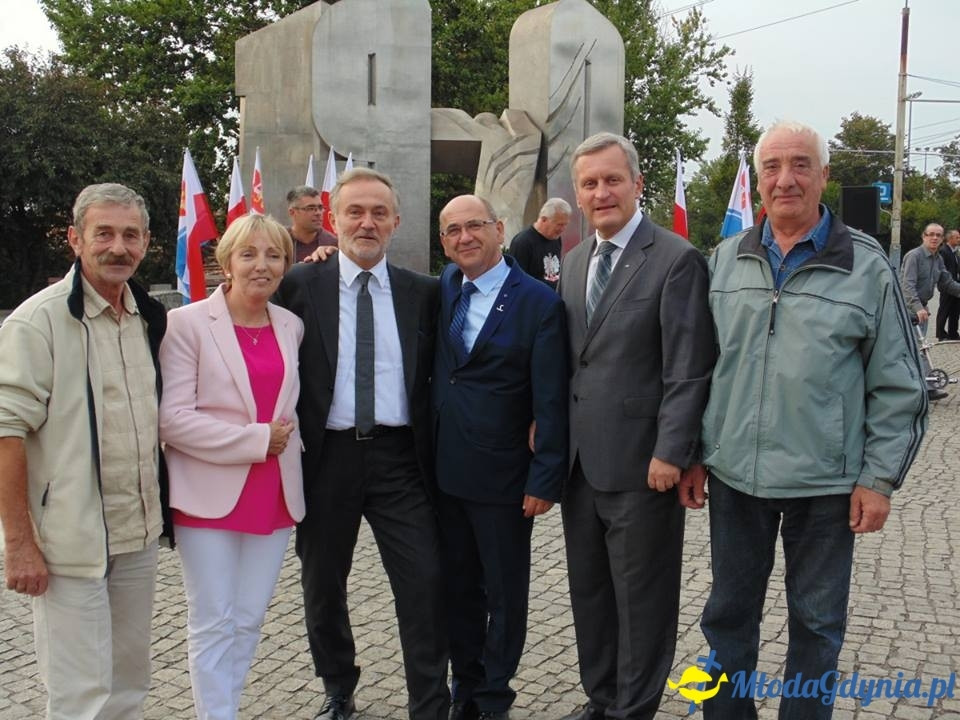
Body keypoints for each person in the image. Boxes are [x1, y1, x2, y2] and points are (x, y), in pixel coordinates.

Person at [680, 120, 927, 720]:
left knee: (817, 628)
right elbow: (698, 367)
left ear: (823, 177)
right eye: (772, 167)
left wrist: (879, 478)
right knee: (726, 619)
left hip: (826, 483)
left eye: (799, 165)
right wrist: (691, 451)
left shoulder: (867, 267)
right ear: (759, 180)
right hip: (736, 478)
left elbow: (899, 385)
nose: (784, 179)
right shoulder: (724, 260)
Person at [274, 168, 449, 720]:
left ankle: (429, 702)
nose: (366, 222)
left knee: (424, 583)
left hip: (402, 460)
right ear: (334, 219)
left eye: (378, 213)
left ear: (396, 222)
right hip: (327, 458)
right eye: (355, 212)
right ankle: (338, 687)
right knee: (323, 584)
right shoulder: (300, 286)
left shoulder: (425, 292)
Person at [557, 133, 715, 720]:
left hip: (643, 466)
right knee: (591, 594)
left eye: (612, 179)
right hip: (580, 466)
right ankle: (602, 698)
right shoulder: (575, 261)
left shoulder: (676, 258)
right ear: (577, 194)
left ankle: (635, 708)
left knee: (642, 601)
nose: (602, 192)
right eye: (590, 183)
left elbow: (689, 366)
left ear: (637, 184)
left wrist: (673, 451)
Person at [0, 183, 169, 718]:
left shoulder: (147, 316)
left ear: (145, 243)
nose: (117, 247)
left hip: (136, 535)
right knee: (79, 695)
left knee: (128, 685)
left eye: (130, 235)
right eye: (104, 233)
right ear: (75, 239)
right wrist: (19, 544)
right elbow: (7, 432)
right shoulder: (38, 321)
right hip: (68, 543)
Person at [158, 213, 305, 719]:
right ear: (225, 263)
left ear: (286, 263)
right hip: (208, 494)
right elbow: (172, 420)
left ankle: (227, 708)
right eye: (248, 254)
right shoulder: (186, 323)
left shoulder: (291, 325)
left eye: (273, 255)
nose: (261, 265)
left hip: (274, 491)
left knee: (247, 619)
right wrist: (255, 439)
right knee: (212, 620)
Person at [434, 195, 568, 720]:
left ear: (499, 228)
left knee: (504, 595)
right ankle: (463, 686)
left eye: (474, 226)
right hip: (446, 471)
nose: (464, 238)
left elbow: (551, 397)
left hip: (505, 478)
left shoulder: (538, 302)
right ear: (442, 241)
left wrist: (545, 477)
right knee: (458, 588)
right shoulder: (444, 287)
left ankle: (494, 696)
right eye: (452, 231)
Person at [900, 222, 960, 399]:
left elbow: (947, 283)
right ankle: (928, 387)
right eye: (931, 234)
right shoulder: (914, 256)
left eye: (938, 235)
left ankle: (923, 385)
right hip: (907, 308)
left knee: (919, 348)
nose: (934, 238)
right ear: (923, 236)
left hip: (922, 309)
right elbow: (907, 285)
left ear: (942, 239)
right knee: (916, 347)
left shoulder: (938, 259)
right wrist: (918, 307)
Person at [507, 197, 570, 289]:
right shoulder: (522, 242)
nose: (563, 229)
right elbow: (516, 282)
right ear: (544, 220)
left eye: (565, 225)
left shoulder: (556, 238)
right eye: (559, 224)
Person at [287, 185, 338, 262]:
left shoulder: (332, 243)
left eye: (320, 208)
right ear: (292, 212)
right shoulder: (279, 241)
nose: (318, 213)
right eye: (310, 208)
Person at [935, 228, 960, 340]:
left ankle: (953, 333)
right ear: (950, 239)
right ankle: (940, 334)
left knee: (955, 311)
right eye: (957, 238)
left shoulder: (955, 252)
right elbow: (941, 269)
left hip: (956, 286)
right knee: (944, 310)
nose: (959, 239)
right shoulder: (943, 251)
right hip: (946, 286)